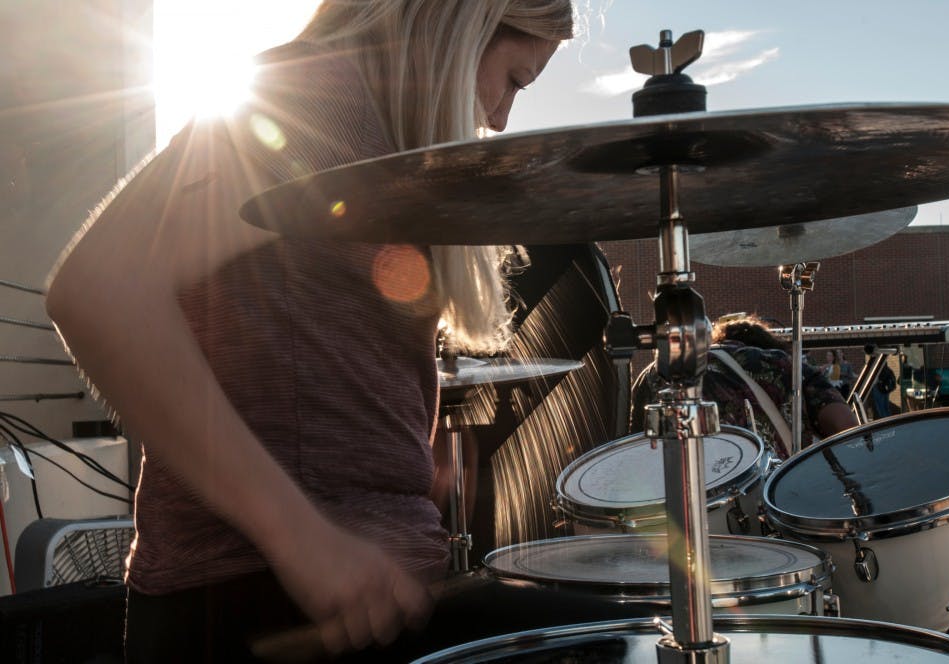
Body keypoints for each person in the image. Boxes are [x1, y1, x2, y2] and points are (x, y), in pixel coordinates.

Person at [44, 3, 649, 662]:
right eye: (515, 79)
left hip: (371, 595)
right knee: (622, 637)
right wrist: (303, 539)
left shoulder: (377, 135)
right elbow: (99, 292)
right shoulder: (305, 99)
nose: (501, 117)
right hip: (256, 602)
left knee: (618, 624)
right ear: (458, 28)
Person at [631, 314, 857, 459]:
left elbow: (629, 450)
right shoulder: (778, 362)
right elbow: (844, 424)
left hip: (674, 502)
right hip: (770, 500)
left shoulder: (653, 373)